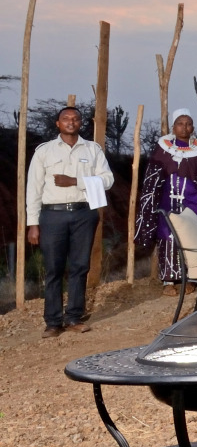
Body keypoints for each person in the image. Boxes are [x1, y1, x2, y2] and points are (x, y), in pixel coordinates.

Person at [25, 105, 114, 337]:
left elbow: (108, 179)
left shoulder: (93, 149)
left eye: (75, 119)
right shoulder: (44, 151)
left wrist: (76, 181)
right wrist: (32, 223)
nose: (71, 122)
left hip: (83, 214)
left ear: (81, 123)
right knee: (54, 268)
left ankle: (74, 317)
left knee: (79, 266)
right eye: (66, 118)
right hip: (52, 215)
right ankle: (53, 322)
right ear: (58, 123)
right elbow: (33, 189)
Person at [133, 109, 197, 296]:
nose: (184, 127)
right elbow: (153, 178)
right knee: (169, 237)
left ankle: (191, 278)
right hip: (168, 201)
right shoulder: (162, 150)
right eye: (180, 124)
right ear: (173, 127)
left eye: (188, 124)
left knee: (192, 237)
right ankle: (169, 280)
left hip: (193, 203)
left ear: (193, 128)